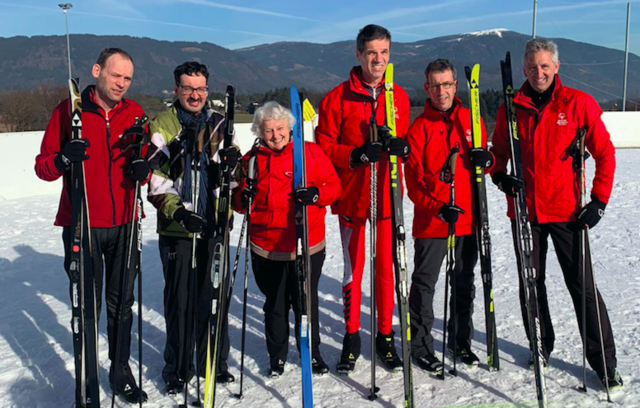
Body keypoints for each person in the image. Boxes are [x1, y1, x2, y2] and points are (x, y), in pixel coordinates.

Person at [491, 38, 622, 389]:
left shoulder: (578, 103)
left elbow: (605, 153)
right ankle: (540, 346)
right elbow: (499, 151)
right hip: (526, 213)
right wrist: (500, 175)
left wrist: (598, 201)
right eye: (532, 67)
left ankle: (604, 364)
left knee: (582, 288)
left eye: (545, 66)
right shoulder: (510, 106)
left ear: (556, 67)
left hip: (569, 213)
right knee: (531, 286)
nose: (539, 73)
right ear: (524, 69)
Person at [35, 47, 150, 404]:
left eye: (127, 78)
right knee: (86, 308)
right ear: (97, 70)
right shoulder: (69, 112)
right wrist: (62, 157)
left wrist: (142, 169)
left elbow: (144, 159)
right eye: (116, 75)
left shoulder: (135, 113)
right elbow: (43, 167)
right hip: (82, 223)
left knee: (121, 305)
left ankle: (119, 370)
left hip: (126, 223)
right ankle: (86, 381)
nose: (121, 84)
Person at [315, 24, 411, 374]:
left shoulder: (397, 96)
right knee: (352, 270)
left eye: (384, 52)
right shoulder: (337, 97)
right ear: (358, 54)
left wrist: (402, 147)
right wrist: (355, 155)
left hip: (387, 197)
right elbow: (324, 146)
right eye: (372, 52)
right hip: (353, 197)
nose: (379, 59)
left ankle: (385, 336)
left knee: (385, 270)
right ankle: (352, 335)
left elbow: (405, 140)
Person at [146, 61, 240, 394]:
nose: (195, 94)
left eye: (200, 88)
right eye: (188, 88)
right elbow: (156, 182)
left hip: (214, 227)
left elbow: (234, 173)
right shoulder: (163, 124)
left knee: (213, 298)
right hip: (179, 230)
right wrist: (180, 213)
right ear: (177, 90)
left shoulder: (219, 124)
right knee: (179, 301)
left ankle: (213, 362)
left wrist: (233, 164)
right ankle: (178, 367)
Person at [232, 101, 340, 377]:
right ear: (259, 131)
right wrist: (241, 198)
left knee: (305, 304)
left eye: (280, 128)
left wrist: (315, 194)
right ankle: (277, 356)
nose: (276, 135)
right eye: (269, 131)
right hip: (267, 248)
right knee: (275, 305)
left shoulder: (309, 154)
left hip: (305, 244)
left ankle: (312, 353)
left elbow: (334, 186)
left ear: (289, 127)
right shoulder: (251, 160)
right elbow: (238, 201)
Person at [404, 59, 494, 374]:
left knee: (464, 282)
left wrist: (489, 159)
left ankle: (460, 340)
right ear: (427, 88)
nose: (441, 91)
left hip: (467, 219)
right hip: (432, 222)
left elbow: (485, 165)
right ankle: (421, 347)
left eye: (447, 84)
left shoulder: (471, 120)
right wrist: (437, 207)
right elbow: (412, 184)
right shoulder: (418, 128)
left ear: (456, 86)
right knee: (425, 285)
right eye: (435, 85)